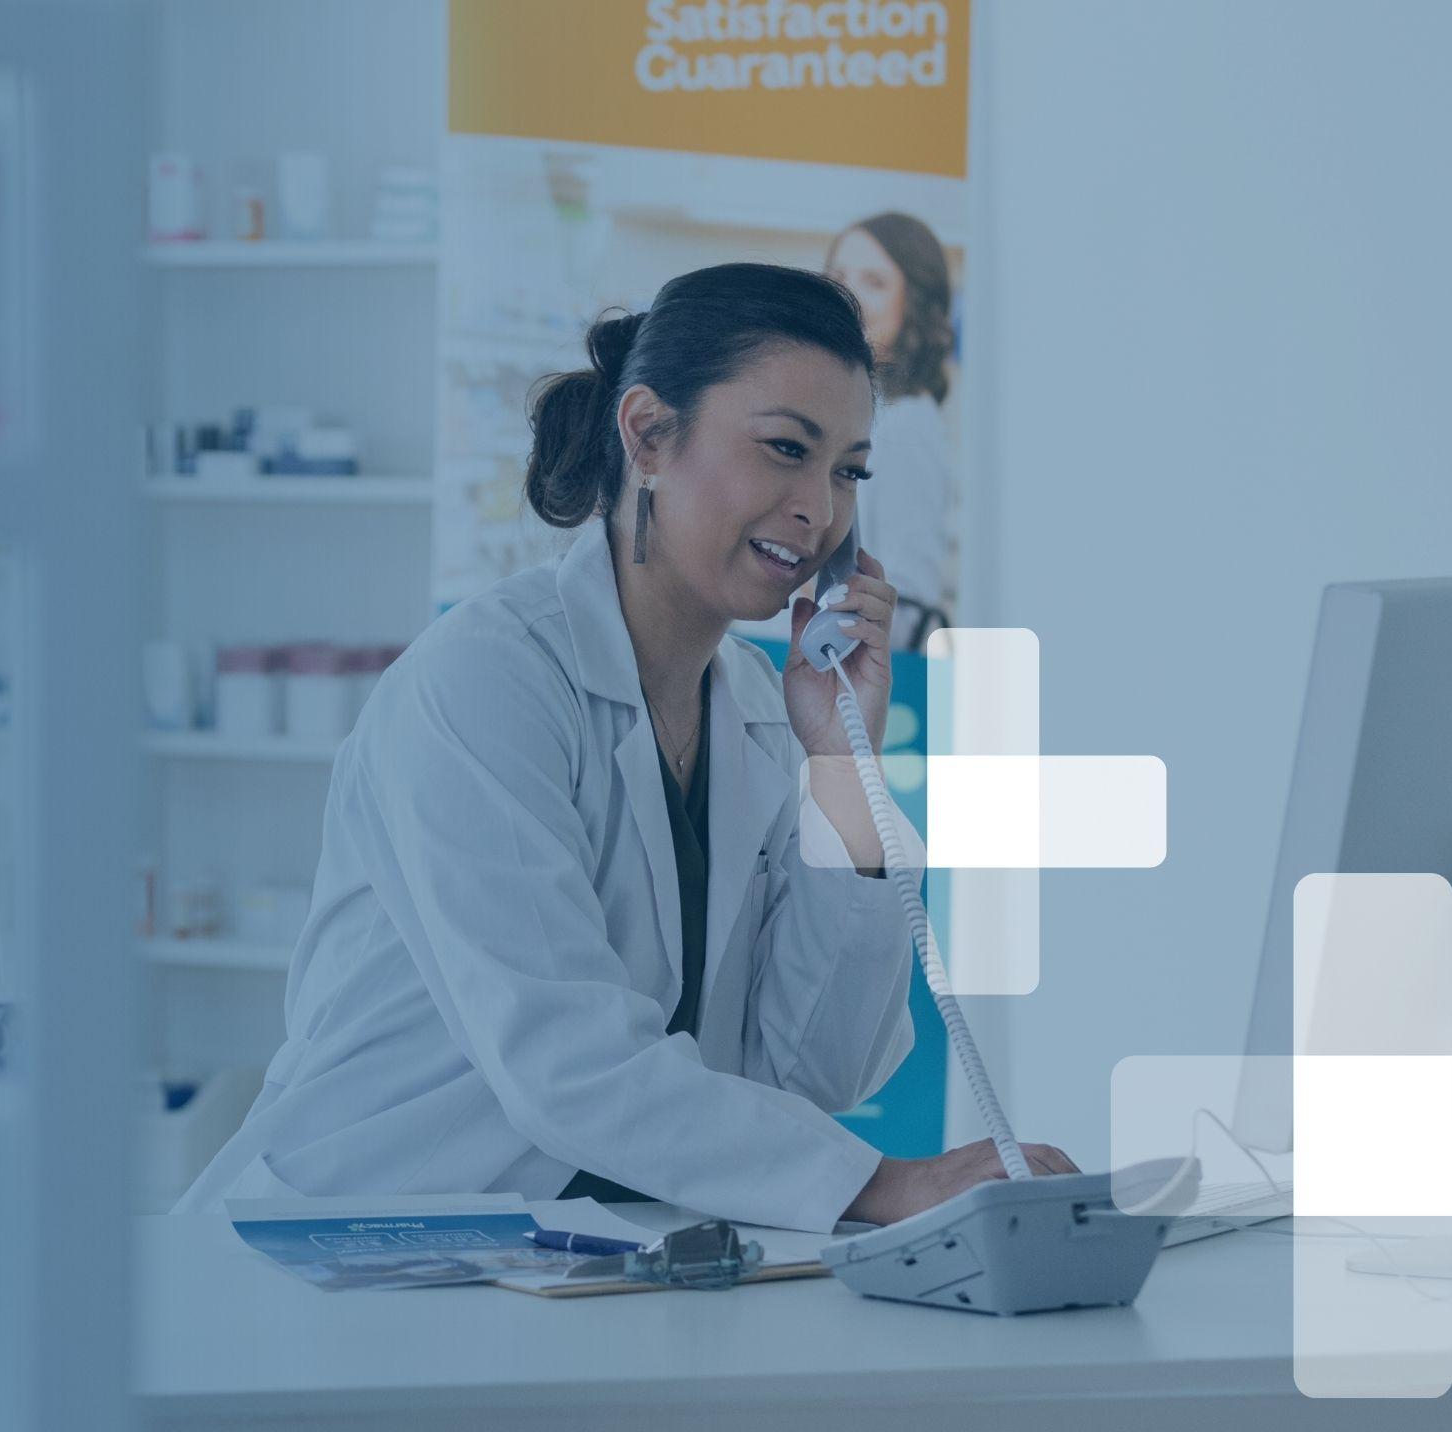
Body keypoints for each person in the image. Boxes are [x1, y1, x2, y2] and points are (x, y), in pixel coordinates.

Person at [178, 264, 1074, 1230]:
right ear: (648, 433)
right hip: (349, 1258)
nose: (821, 509)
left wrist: (841, 771)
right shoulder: (484, 685)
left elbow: (814, 1071)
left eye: (848, 470)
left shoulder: (763, 717)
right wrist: (886, 1184)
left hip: (584, 1266)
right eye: (785, 449)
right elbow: (568, 1061)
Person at [822, 211, 957, 651]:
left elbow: (908, 602)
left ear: (913, 305)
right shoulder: (855, 409)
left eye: (875, 282)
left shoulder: (907, 427)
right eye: (838, 276)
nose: (848, 294)